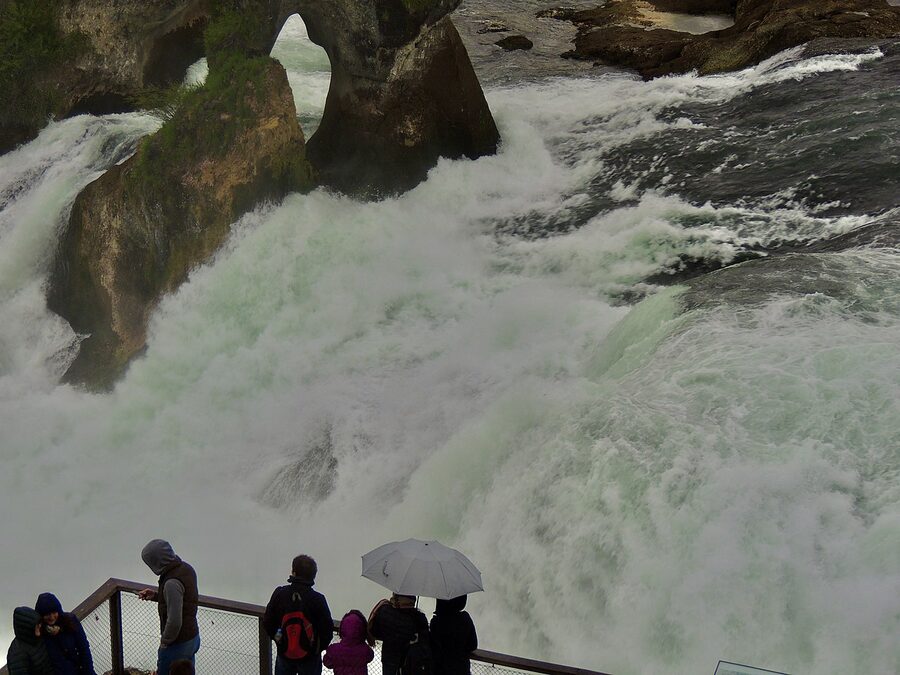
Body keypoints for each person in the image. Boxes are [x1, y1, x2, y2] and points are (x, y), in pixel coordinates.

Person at [263, 554, 334, 675]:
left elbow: (268, 621)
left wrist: (279, 640)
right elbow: (327, 630)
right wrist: (315, 648)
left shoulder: (280, 594)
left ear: (293, 572)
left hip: (284, 652)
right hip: (310, 657)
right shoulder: (318, 599)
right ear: (313, 575)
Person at [138, 539, 201, 675]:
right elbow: (184, 600)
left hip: (177, 643)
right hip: (192, 637)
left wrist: (164, 643)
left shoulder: (171, 582)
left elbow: (174, 620)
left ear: (156, 561)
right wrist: (156, 595)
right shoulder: (186, 568)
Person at [34, 592, 96, 675]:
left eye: (54, 612)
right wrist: (37, 637)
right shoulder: (40, 632)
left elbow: (84, 648)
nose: (52, 617)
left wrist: (89, 672)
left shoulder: (70, 621)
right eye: (47, 614)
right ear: (41, 616)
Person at [368, 593, 430, 675]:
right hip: (410, 660)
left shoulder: (385, 612)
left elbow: (375, 632)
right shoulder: (419, 618)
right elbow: (425, 639)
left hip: (389, 659)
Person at [429, 596, 477, 675]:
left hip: (439, 669)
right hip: (461, 669)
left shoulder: (436, 622)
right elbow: (472, 645)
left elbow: (433, 646)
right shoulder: (465, 619)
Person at [323, 610, 374, 675]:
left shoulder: (334, 650)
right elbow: (370, 657)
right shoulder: (365, 650)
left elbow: (327, 662)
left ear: (342, 629)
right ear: (362, 630)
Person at [6, 607, 54, 675]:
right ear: (26, 627)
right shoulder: (17, 653)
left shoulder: (38, 637)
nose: (40, 626)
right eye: (36, 624)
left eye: (39, 622)